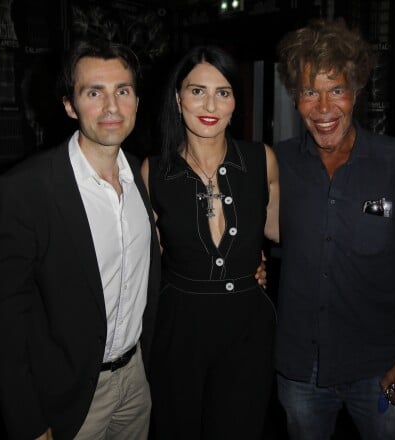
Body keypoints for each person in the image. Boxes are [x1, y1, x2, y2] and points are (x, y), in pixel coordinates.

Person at [273, 18, 395, 440]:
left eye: (337, 90)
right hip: (300, 372)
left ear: (357, 92)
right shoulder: (276, 164)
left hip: (383, 368)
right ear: (296, 98)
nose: (324, 108)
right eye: (310, 92)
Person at [0, 38, 162, 440]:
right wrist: (28, 420)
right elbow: (4, 321)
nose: (111, 107)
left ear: (136, 101)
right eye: (94, 93)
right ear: (69, 105)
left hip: (136, 382)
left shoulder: (145, 177)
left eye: (123, 91)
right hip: (68, 397)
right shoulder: (26, 190)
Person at [141, 45, 280, 439]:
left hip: (247, 328)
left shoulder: (261, 160)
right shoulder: (155, 170)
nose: (210, 104)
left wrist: (256, 259)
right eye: (197, 90)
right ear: (177, 98)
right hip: (178, 326)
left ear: (236, 102)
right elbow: (148, 257)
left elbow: (285, 231)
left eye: (223, 92)